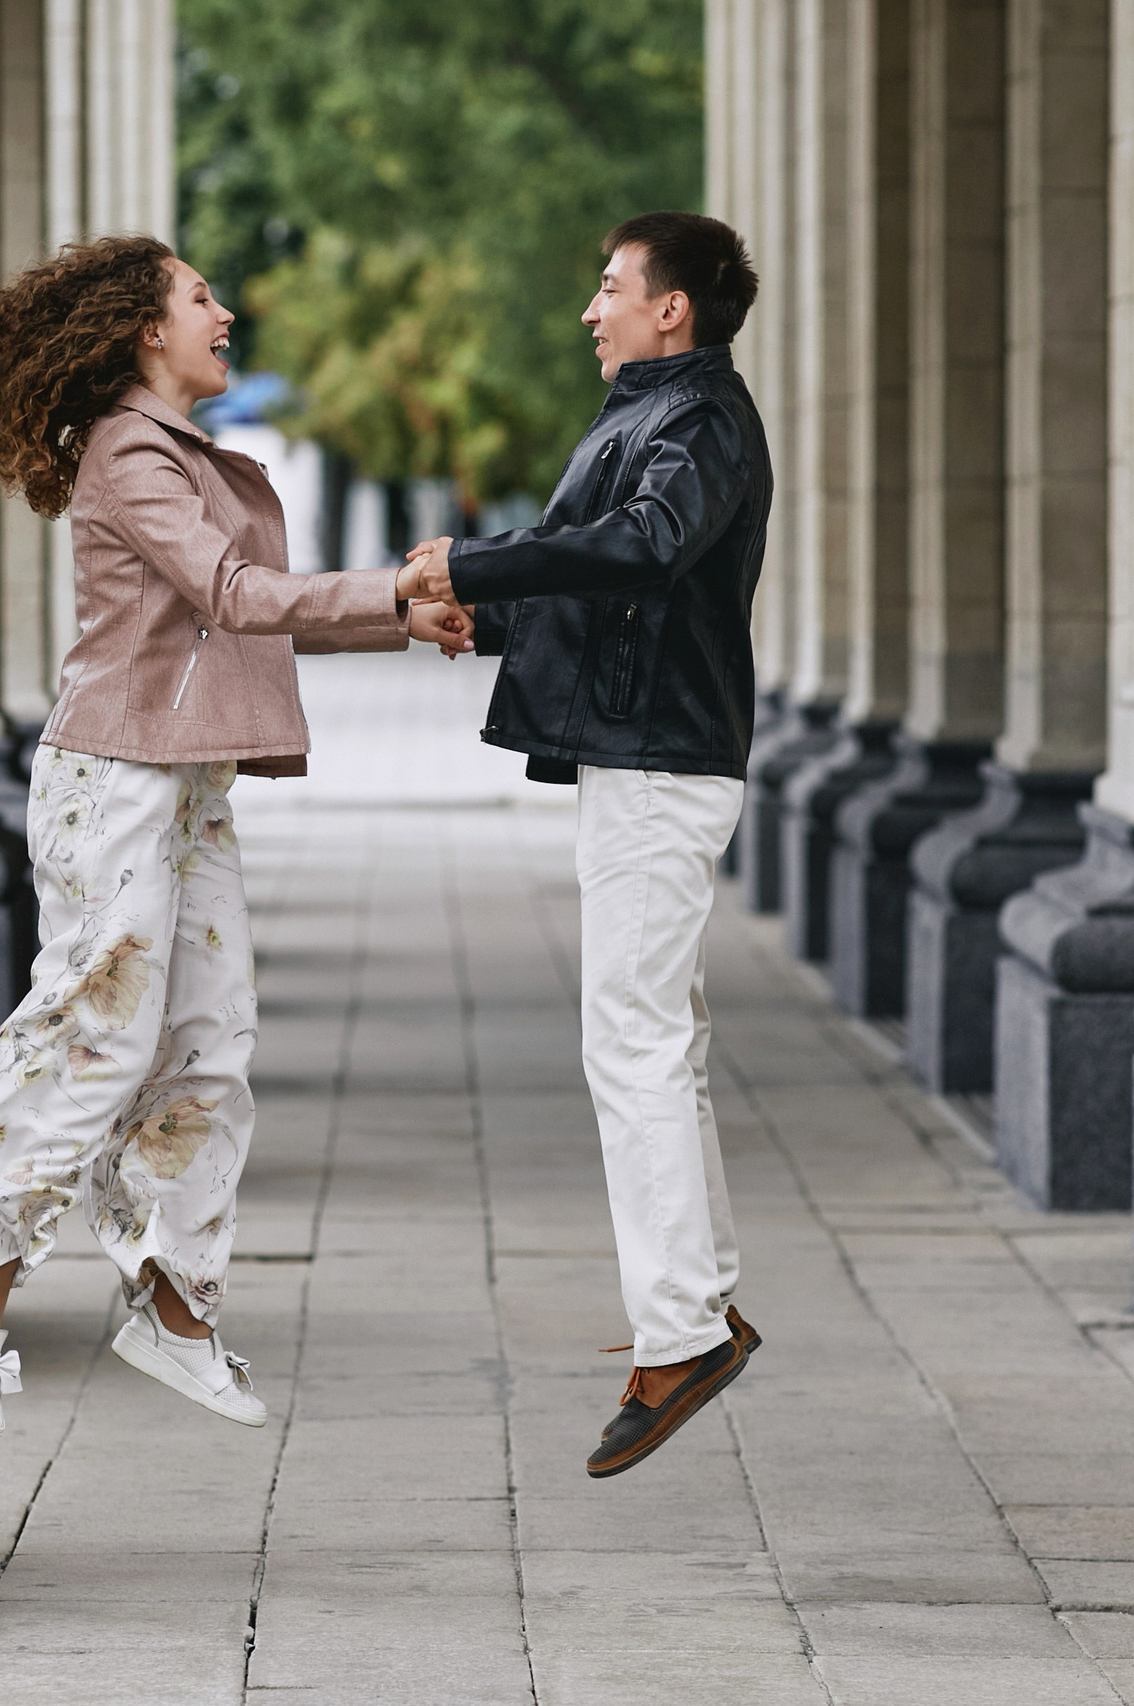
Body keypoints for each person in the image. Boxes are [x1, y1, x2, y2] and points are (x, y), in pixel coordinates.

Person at [0, 235, 471, 1439]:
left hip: (185, 781)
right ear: (141, 331)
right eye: (200, 297)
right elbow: (231, 593)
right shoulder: (127, 451)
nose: (225, 313)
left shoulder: (180, 456)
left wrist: (403, 624)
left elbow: (237, 620)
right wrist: (391, 587)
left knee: (212, 1040)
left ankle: (173, 1305)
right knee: (96, 1030)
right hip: (111, 775)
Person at [403, 212, 771, 1476]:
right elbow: (620, 587)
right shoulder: (658, 410)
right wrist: (488, 619)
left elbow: (645, 546)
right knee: (658, 1036)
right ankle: (702, 1305)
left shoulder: (698, 419)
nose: (589, 307)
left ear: (672, 308)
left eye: (609, 286)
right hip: (647, 756)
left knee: (634, 1043)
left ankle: (677, 1334)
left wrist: (479, 563)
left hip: (662, 766)